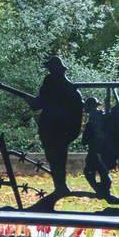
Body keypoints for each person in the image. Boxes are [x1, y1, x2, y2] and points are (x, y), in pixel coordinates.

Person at [29, 56, 83, 209]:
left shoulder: (50, 84)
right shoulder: (72, 91)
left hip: (52, 130)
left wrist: (31, 101)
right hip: (61, 132)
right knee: (57, 159)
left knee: (55, 158)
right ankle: (60, 186)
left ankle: (60, 187)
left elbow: (38, 104)